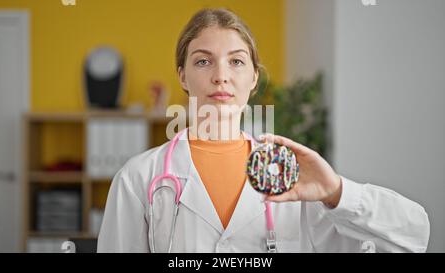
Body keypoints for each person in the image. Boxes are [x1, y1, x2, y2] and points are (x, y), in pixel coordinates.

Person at [97, 8, 430, 253]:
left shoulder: (292, 177)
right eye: (203, 61)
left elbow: (412, 237)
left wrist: (335, 191)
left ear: (254, 78)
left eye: (237, 61)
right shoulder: (139, 179)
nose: (221, 76)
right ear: (182, 76)